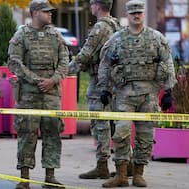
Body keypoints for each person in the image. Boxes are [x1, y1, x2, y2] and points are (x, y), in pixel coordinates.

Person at [97, 0, 177, 187]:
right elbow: (105, 65)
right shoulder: (116, 39)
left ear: (143, 14)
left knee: (146, 135)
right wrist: (105, 89)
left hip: (149, 94)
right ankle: (122, 175)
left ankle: (139, 173)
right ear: (128, 14)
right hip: (124, 94)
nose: (136, 16)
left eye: (139, 13)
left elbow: (168, 63)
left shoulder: (156, 38)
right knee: (121, 133)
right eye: (133, 13)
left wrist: (168, 90)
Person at [7, 0, 69, 188]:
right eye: (46, 12)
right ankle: (24, 178)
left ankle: (50, 177)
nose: (50, 14)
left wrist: (54, 79)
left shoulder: (56, 35)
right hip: (28, 94)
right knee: (27, 134)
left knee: (52, 134)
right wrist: (35, 80)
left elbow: (65, 60)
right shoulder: (21, 35)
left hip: (51, 94)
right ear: (34, 13)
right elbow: (14, 62)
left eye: (50, 12)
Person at [68, 0, 121, 180]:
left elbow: (85, 55)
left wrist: (62, 73)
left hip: (100, 82)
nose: (90, 7)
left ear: (97, 6)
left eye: (92, 4)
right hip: (115, 82)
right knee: (116, 124)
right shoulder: (117, 25)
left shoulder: (100, 28)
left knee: (100, 124)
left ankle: (102, 165)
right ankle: (126, 164)